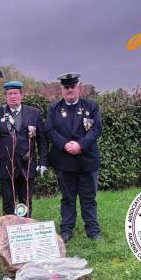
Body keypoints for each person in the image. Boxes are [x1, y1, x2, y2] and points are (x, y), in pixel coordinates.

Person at [45, 72, 102, 242]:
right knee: (67, 198)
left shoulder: (91, 106)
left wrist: (80, 145)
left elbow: (96, 129)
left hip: (87, 160)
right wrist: (65, 145)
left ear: (79, 88)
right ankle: (66, 229)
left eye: (72, 86)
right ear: (61, 89)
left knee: (89, 198)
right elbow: (49, 130)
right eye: (66, 87)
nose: (69, 90)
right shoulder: (54, 108)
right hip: (64, 160)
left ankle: (93, 230)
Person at [0, 81, 48, 217]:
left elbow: (42, 140)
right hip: (6, 165)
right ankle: (9, 232)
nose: (12, 96)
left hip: (27, 164)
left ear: (21, 95)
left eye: (15, 93)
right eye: (9, 94)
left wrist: (43, 162)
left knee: (26, 201)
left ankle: (25, 231)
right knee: (8, 202)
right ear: (6, 96)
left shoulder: (34, 113)